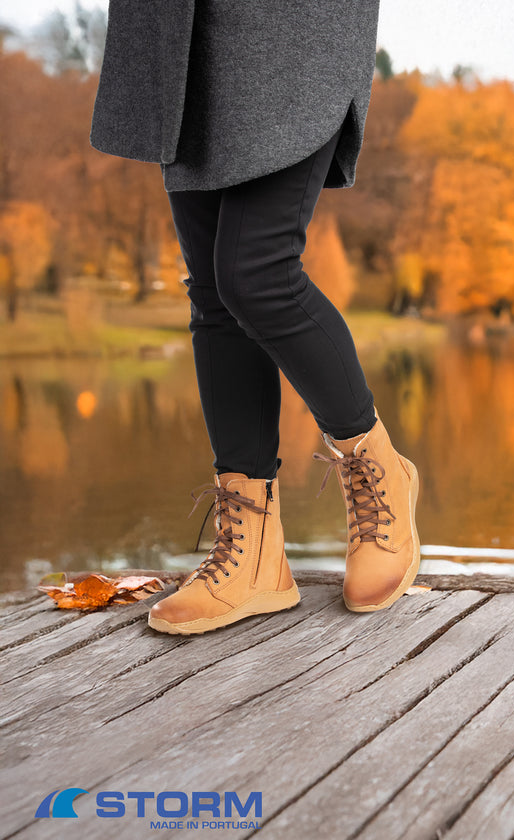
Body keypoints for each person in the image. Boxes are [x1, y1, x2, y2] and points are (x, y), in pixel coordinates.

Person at [89, 0, 420, 635]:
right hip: (177, 27)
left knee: (257, 273)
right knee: (214, 292)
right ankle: (256, 555)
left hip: (287, 26)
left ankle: (376, 466)